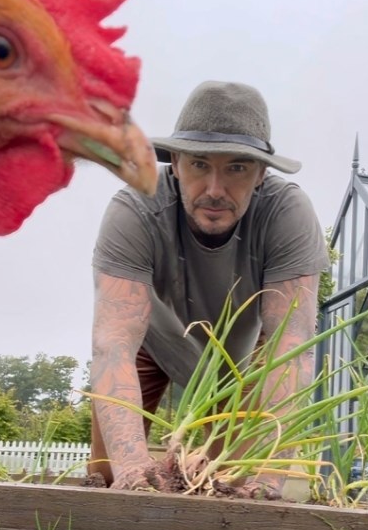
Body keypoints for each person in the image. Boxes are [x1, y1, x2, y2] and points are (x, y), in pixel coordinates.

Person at [87, 80, 329, 496]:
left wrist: (266, 479)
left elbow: (288, 348)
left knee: (233, 486)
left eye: (236, 167)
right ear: (175, 163)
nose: (215, 190)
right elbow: (113, 345)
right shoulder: (134, 209)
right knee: (109, 475)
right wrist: (132, 469)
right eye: (199, 164)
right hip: (152, 342)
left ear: (261, 174)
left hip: (242, 363)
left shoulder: (287, 214)